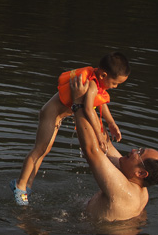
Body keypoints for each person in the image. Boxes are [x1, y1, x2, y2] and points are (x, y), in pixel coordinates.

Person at [12, 52, 130, 206]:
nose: (115, 87)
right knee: (39, 149)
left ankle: (27, 186)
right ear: (103, 75)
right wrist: (99, 136)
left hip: (57, 116)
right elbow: (88, 109)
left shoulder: (98, 83)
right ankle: (20, 185)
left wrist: (111, 123)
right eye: (115, 83)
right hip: (51, 114)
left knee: (44, 151)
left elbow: (101, 103)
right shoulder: (92, 85)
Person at [69, 72, 158, 221]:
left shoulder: (124, 191)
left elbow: (91, 151)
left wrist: (78, 103)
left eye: (139, 153)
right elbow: (105, 145)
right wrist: (93, 99)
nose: (133, 150)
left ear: (141, 173)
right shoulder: (139, 187)